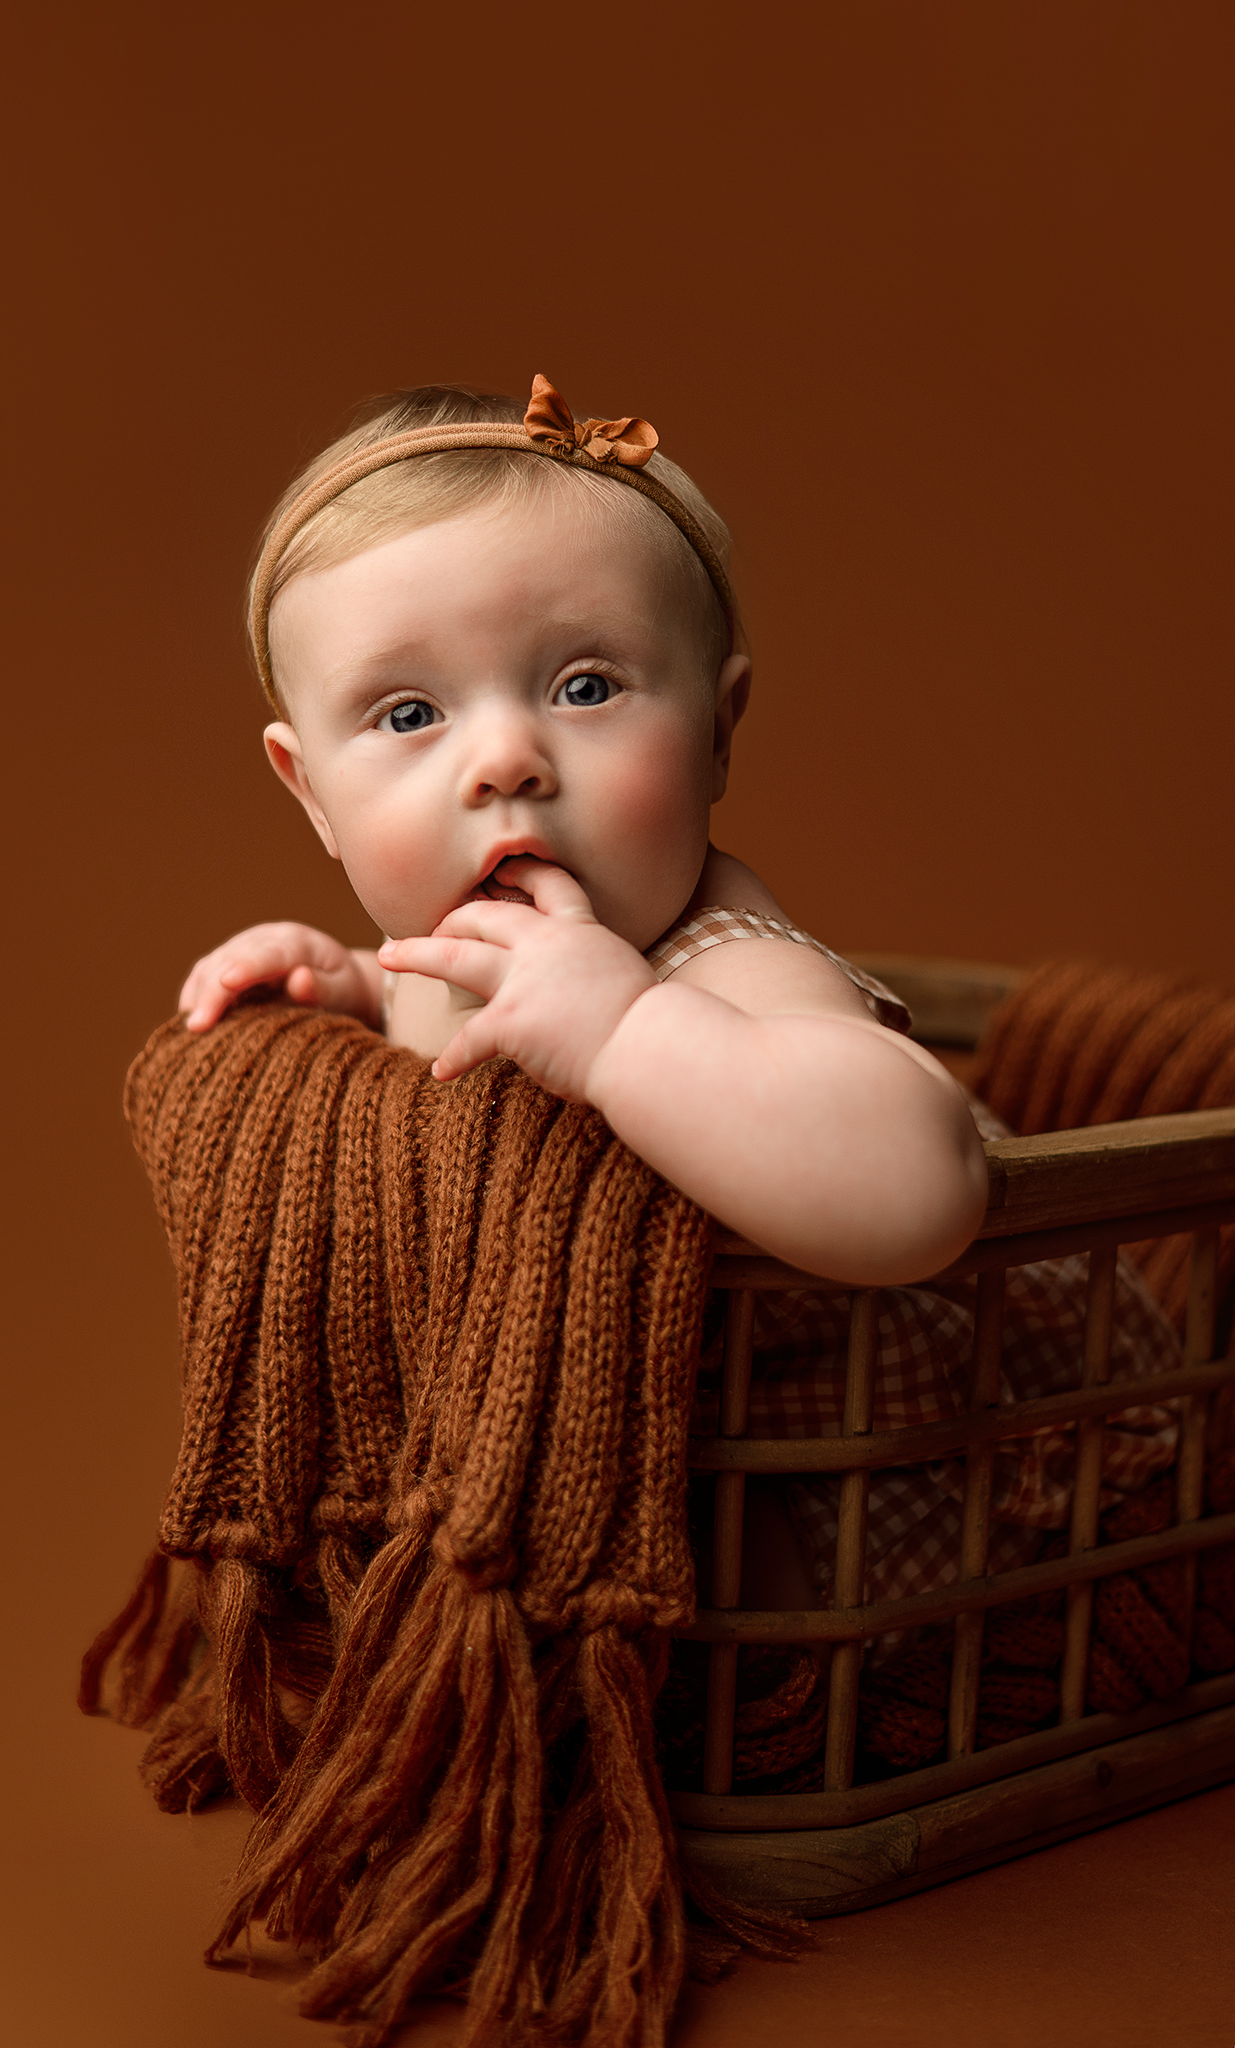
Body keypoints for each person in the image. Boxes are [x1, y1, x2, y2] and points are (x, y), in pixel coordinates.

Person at [175, 376, 1179, 1636]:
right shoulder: (444, 952)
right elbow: (449, 1071)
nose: (505, 760)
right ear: (311, 791)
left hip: (904, 1474)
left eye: (586, 686)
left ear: (717, 730)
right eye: (410, 712)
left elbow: (920, 1193)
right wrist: (353, 986)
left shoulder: (725, 956)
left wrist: (625, 1032)